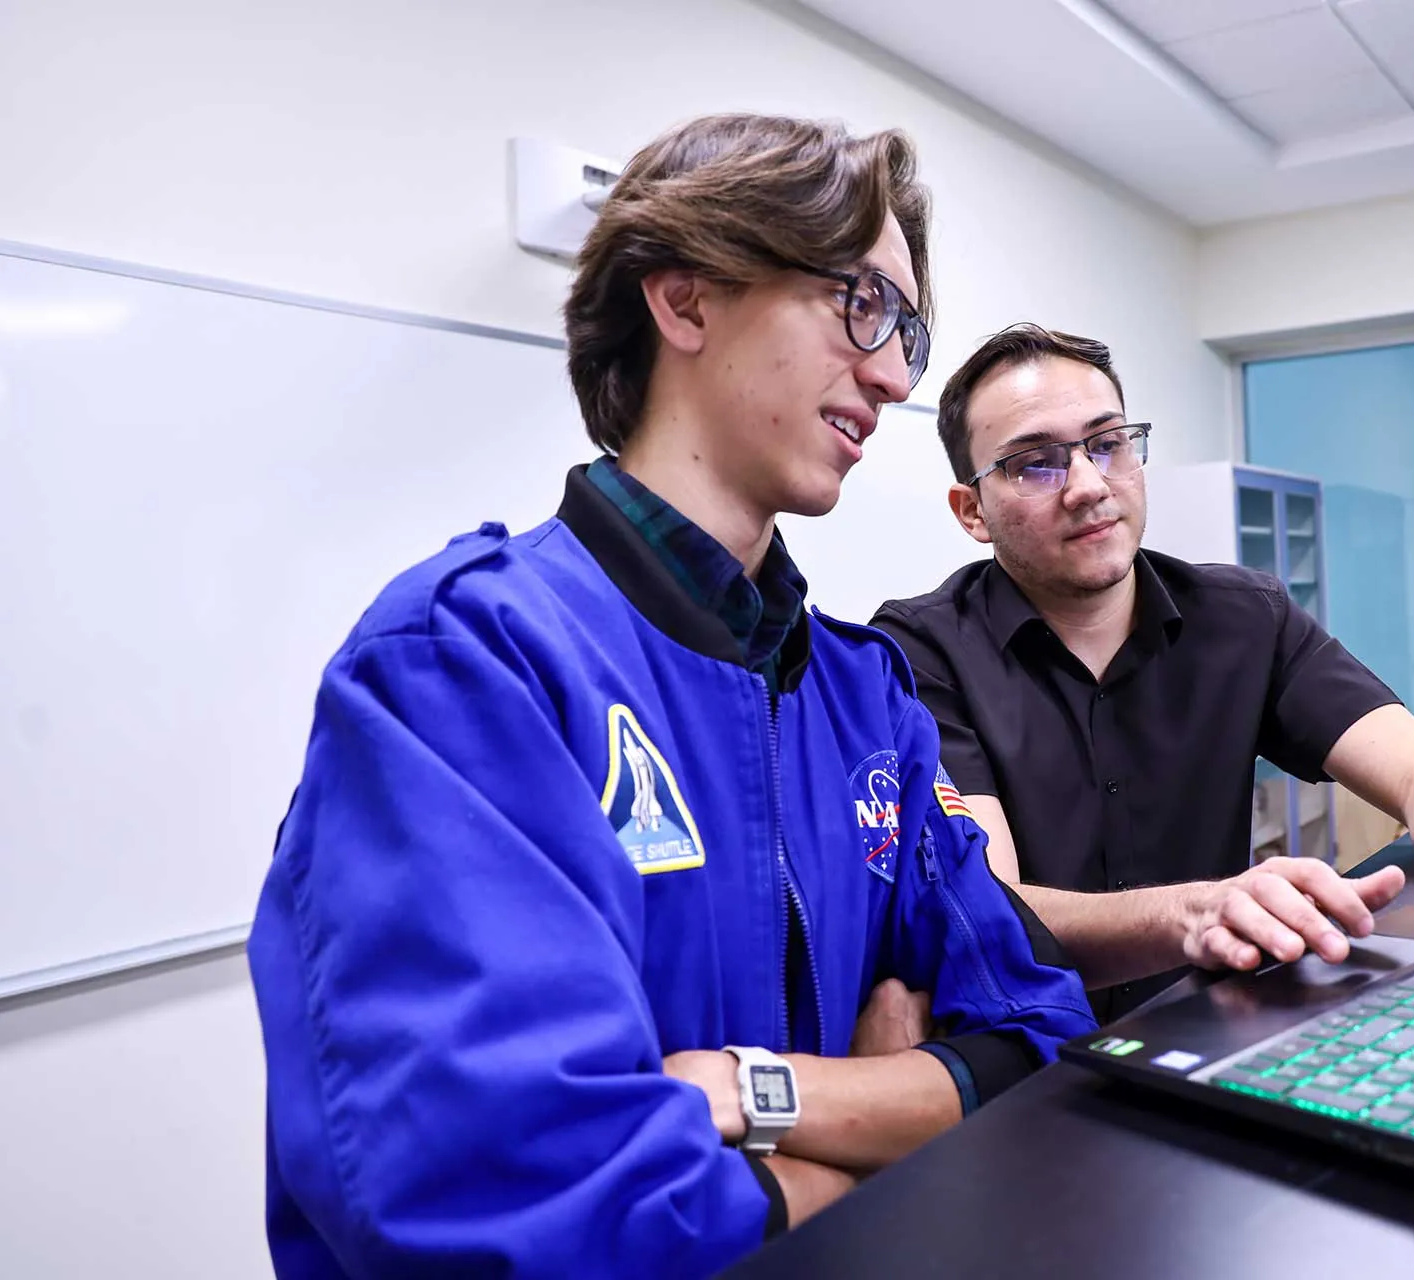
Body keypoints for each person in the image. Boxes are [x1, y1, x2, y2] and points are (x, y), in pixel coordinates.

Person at [248, 120, 1095, 1279]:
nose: (897, 375)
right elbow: (524, 1200)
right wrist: (866, 1139)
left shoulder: (863, 696)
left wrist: (759, 1094)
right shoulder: (467, 663)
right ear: (687, 302)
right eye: (859, 303)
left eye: (906, 330)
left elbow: (1040, 1037)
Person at [871, 324, 1414, 1021]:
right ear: (970, 510)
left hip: (1209, 1019)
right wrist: (1196, 912)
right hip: (1026, 1046)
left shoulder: (1243, 617)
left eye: (1107, 442)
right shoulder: (918, 652)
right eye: (1035, 464)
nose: (1088, 485)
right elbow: (992, 909)